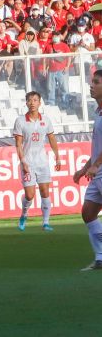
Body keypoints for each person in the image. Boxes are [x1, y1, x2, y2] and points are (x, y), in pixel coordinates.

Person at [14, 92, 60, 231]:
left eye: (35, 100)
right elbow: (18, 144)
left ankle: (46, 222)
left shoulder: (46, 120)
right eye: (29, 100)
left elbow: (52, 139)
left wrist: (57, 156)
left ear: (40, 103)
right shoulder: (20, 121)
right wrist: (23, 161)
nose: (32, 103)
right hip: (27, 162)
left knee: (45, 192)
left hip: (42, 162)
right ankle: (23, 215)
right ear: (26, 103)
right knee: (29, 194)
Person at [74, 70, 102, 271]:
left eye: (96, 82)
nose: (91, 85)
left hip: (100, 169)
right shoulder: (98, 112)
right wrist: (84, 168)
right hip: (97, 171)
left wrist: (95, 165)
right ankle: (101, 257)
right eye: (92, 82)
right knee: (88, 213)